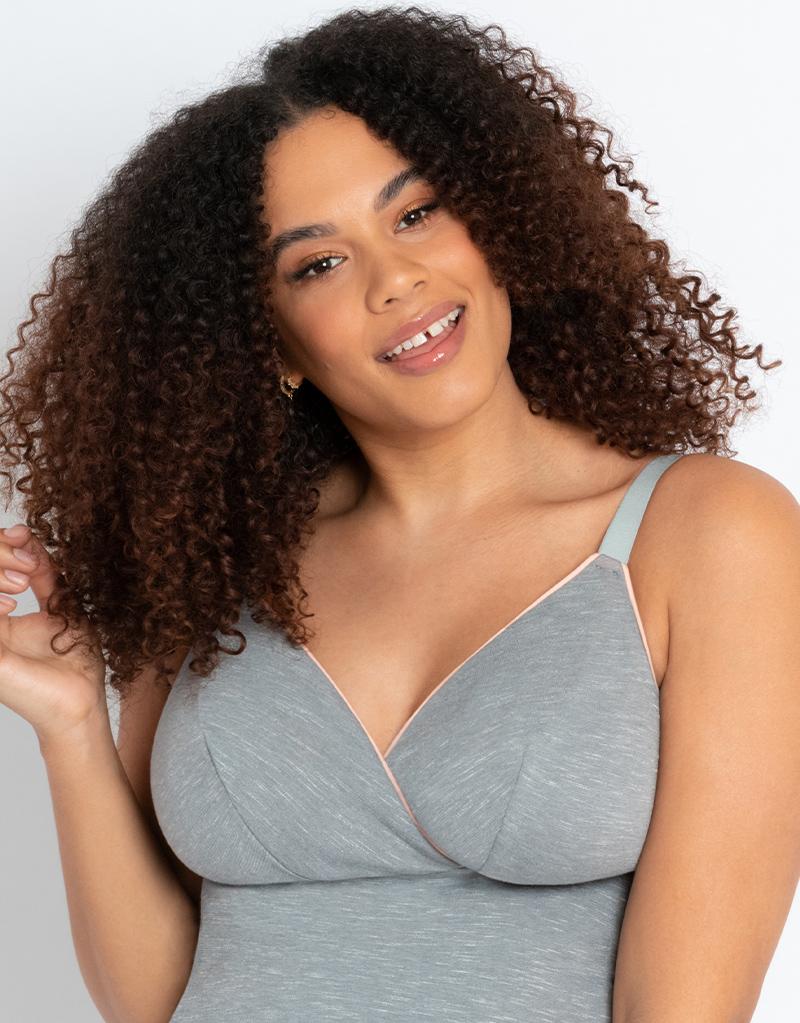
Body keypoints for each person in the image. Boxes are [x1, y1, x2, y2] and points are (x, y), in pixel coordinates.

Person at [1, 6, 798, 1023]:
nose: (396, 280)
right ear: (269, 342)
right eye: (317, 264)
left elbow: (686, 1006)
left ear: (498, 222)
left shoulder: (707, 533)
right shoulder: (216, 559)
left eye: (415, 214)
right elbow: (157, 997)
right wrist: (71, 721)